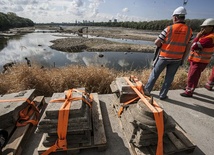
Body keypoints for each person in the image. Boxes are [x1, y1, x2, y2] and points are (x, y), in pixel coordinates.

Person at [143, 6, 193, 100]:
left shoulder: (169, 28)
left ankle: (147, 91)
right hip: (177, 59)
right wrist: (183, 58)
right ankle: (162, 95)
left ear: (175, 17)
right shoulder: (189, 31)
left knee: (154, 75)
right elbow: (188, 47)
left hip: (164, 57)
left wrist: (163, 44)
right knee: (169, 78)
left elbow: (157, 42)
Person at [180, 18, 214, 97]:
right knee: (191, 75)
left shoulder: (209, 38)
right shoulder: (206, 35)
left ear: (211, 27)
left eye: (205, 27)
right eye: (202, 27)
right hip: (196, 59)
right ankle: (188, 88)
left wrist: (197, 37)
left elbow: (193, 46)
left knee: (193, 76)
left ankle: (189, 92)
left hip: (200, 60)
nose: (202, 29)